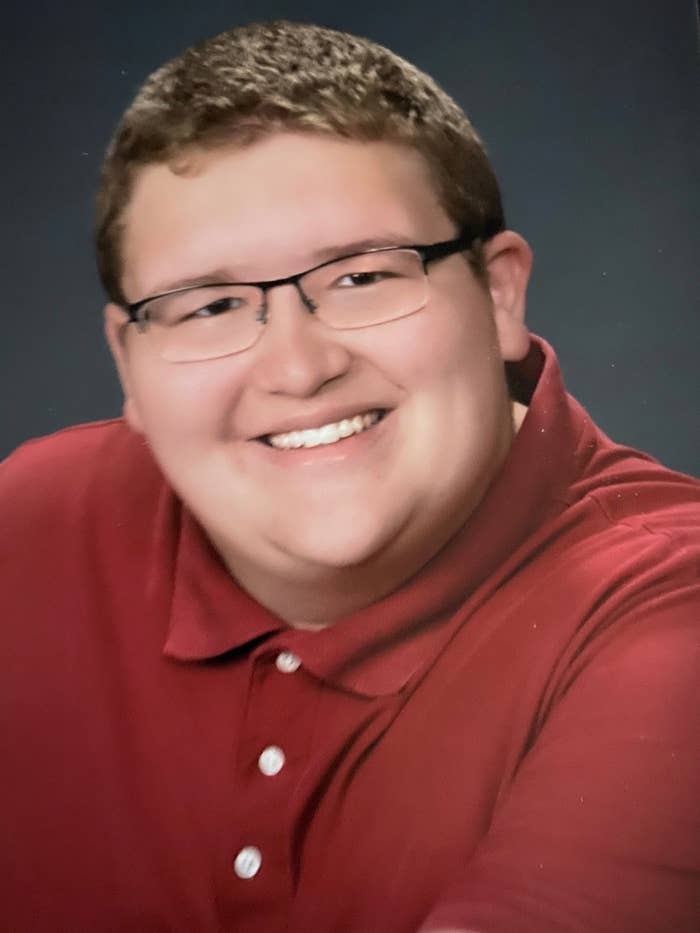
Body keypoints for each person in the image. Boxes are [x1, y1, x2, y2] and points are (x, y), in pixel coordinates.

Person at [1, 20, 698, 933]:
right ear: (128, 364)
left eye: (362, 277)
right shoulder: (33, 528)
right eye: (209, 305)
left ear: (499, 297)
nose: (297, 368)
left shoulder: (667, 612)